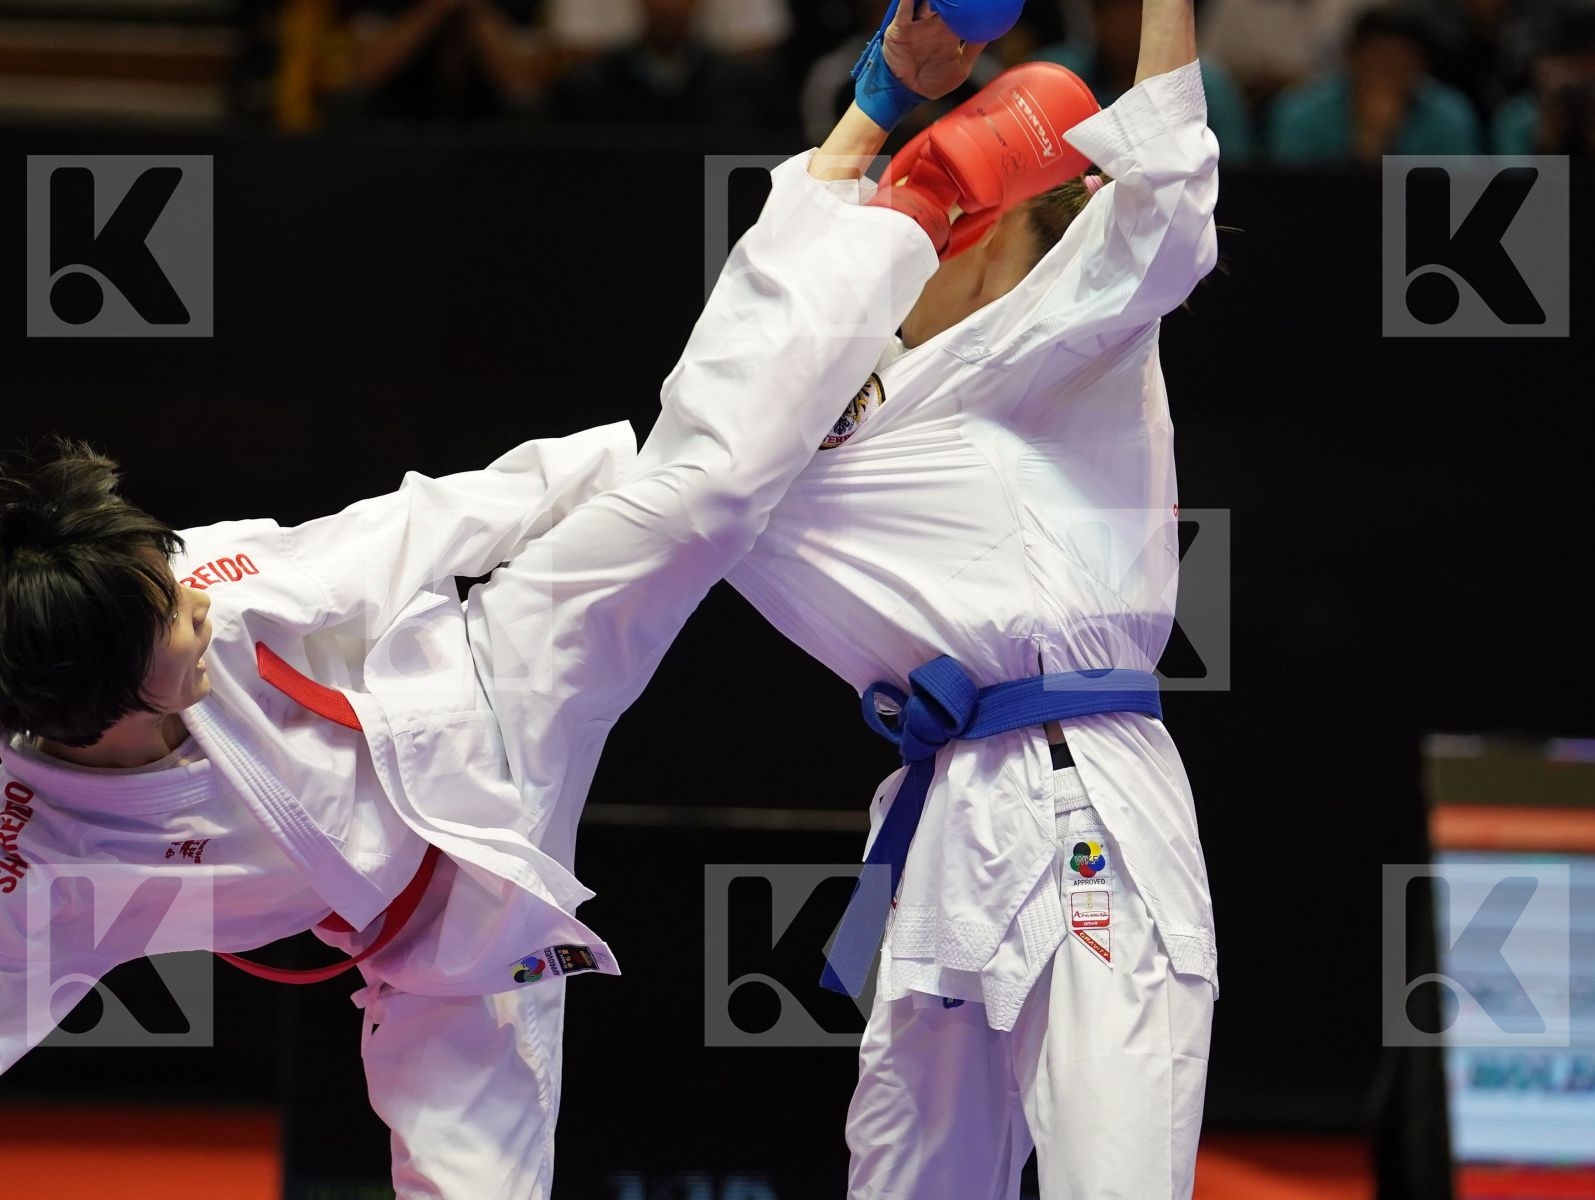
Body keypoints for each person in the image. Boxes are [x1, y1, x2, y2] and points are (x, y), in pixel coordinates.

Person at [0, 8, 1097, 1198]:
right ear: (102, 697)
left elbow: (403, 534)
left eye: (174, 581)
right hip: (446, 950)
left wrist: (589, 484)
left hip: (488, 684)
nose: (198, 605)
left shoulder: (207, 579)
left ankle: (880, 141)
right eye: (173, 623)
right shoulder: (41, 861)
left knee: (710, 488)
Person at [710, 0, 1223, 1194]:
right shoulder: (848, 395)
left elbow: (1164, 199)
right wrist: (871, 108)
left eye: (947, 216)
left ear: (999, 236)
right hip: (949, 816)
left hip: (1083, 797)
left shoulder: (1062, 340)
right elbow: (721, 400)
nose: (915, 241)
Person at [1033, 0, 1254, 160]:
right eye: (1114, 12)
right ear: (1095, 16)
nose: (1124, 26)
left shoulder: (1210, 88)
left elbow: (1235, 176)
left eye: (1135, 11)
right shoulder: (1058, 79)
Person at [1266, 5, 1483, 164]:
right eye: (1377, 60)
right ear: (1351, 58)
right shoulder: (1300, 113)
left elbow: (1459, 195)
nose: (1387, 72)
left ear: (1421, 65)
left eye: (1400, 63)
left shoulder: (1450, 116)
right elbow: (1287, 191)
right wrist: (1368, 137)